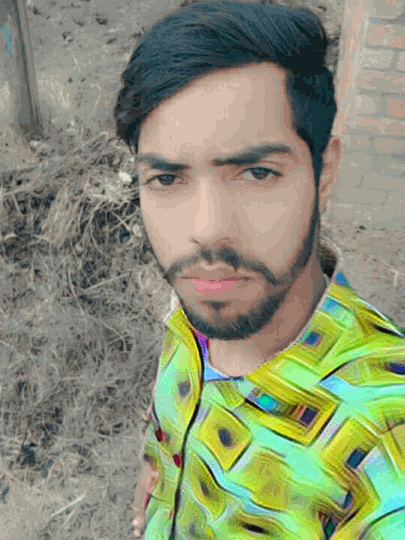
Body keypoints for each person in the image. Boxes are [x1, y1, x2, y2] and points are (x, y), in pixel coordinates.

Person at [113, 1, 405, 538]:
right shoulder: (197, 304)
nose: (206, 231)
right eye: (168, 179)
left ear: (324, 172)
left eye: (256, 173)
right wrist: (155, 487)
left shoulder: (386, 440)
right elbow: (168, 433)